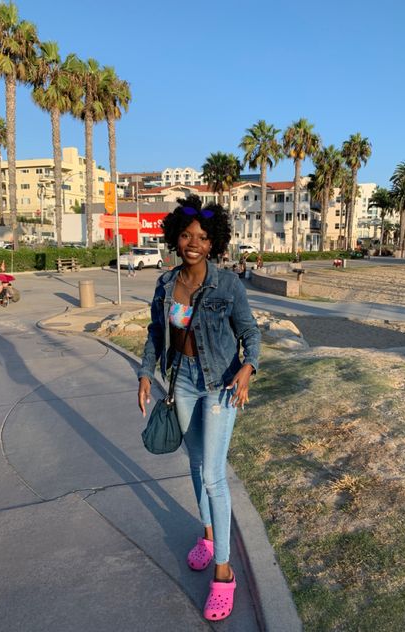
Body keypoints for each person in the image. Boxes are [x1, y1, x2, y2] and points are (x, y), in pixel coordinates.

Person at [138, 195, 260, 622]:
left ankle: (224, 575)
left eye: (203, 238)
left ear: (214, 244)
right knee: (193, 463)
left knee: (212, 475)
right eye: (187, 235)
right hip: (182, 382)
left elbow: (250, 334)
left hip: (221, 385)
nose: (193, 243)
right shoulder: (166, 284)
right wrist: (144, 373)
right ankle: (208, 537)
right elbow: (156, 333)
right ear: (176, 237)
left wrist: (248, 368)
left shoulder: (227, 285)